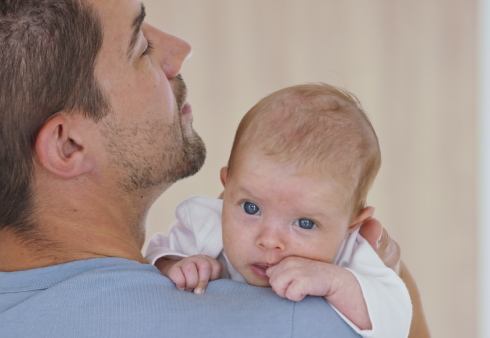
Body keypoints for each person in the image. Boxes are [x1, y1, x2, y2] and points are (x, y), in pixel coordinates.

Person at [0, 0, 429, 337]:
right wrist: (391, 273)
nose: (179, 50)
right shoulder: (303, 320)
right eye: (140, 46)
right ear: (69, 144)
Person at [146, 83, 412, 337]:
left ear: (351, 225)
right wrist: (175, 265)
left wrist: (337, 282)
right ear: (227, 189)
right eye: (251, 208)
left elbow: (395, 320)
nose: (269, 240)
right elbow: (151, 262)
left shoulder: (352, 255)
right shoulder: (206, 225)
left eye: (305, 223)